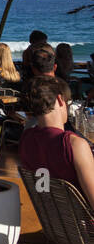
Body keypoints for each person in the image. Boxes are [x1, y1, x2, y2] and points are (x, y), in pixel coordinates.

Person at [19, 75, 94, 207]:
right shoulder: (73, 144)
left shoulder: (26, 139)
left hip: (53, 222)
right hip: (83, 225)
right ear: (60, 99)